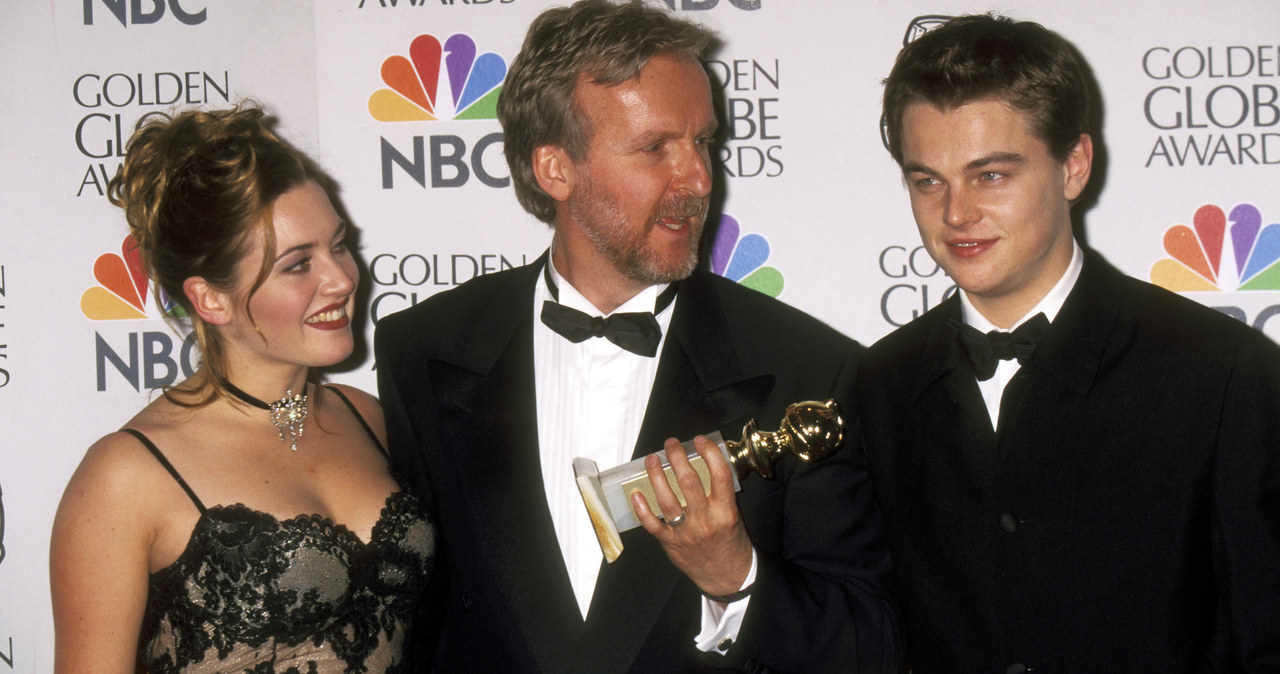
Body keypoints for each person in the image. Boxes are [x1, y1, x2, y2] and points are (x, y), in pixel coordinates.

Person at [374, 1, 899, 671]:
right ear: (555, 169)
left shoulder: (811, 371)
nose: (700, 180)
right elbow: (418, 632)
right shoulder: (424, 351)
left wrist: (735, 576)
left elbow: (871, 649)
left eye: (703, 142)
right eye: (657, 149)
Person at [859, 13, 1280, 671]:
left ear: (1074, 165)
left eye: (991, 175)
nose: (955, 213)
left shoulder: (1223, 374)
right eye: (927, 180)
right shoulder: (874, 387)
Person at [50, 106, 435, 673]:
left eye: (339, 245)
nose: (342, 279)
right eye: (298, 265)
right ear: (210, 299)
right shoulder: (124, 477)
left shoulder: (367, 417)